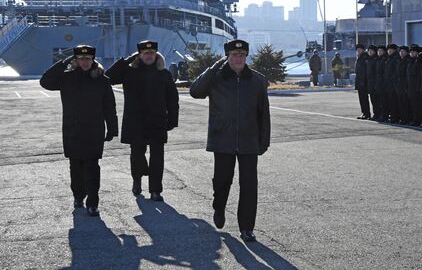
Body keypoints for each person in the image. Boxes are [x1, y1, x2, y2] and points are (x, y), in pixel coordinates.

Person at [189, 39, 271, 242]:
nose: (238, 59)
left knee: (249, 185)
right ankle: (219, 206)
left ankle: (247, 228)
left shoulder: (257, 81)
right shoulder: (216, 77)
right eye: (234, 55)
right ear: (227, 56)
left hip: (249, 140)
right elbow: (195, 91)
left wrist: (264, 141)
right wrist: (213, 67)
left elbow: (264, 115)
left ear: (246, 57)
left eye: (242, 55)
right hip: (222, 139)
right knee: (222, 181)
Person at [40, 45, 118, 217]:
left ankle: (92, 203)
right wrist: (63, 63)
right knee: (75, 166)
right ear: (75, 60)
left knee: (92, 166)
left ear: (93, 60)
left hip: (94, 130)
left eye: (87, 59)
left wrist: (112, 128)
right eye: (81, 59)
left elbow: (109, 106)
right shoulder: (66, 78)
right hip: (72, 129)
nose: (84, 62)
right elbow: (45, 81)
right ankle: (78, 195)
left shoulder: (102, 80)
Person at [106, 40, 179, 202]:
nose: (148, 56)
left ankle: (155, 190)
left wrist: (172, 119)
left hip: (157, 122)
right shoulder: (129, 72)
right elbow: (108, 77)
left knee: (157, 158)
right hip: (135, 122)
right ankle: (137, 179)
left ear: (156, 54)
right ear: (139, 55)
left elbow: (172, 99)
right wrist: (126, 61)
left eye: (151, 53)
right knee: (137, 155)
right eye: (145, 53)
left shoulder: (164, 74)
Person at [406, 45, 422, 126]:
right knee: (412, 105)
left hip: (416, 87)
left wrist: (418, 87)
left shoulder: (419, 61)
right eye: (411, 52)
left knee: (417, 105)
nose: (412, 53)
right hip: (410, 86)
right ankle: (414, 119)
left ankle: (417, 120)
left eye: (414, 52)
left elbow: (419, 76)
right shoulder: (410, 61)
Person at [354, 44, 370, 119]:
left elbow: (365, 71)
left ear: (363, 50)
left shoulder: (365, 57)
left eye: (359, 49)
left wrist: (363, 81)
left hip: (363, 82)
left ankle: (366, 113)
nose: (358, 51)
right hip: (359, 81)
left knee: (364, 98)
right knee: (361, 98)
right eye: (357, 50)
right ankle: (364, 112)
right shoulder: (359, 58)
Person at [365, 45, 379, 120]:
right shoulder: (369, 59)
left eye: (371, 51)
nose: (369, 52)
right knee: (373, 100)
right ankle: (375, 114)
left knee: (377, 100)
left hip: (375, 83)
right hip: (370, 83)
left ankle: (377, 114)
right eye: (369, 51)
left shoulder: (376, 59)